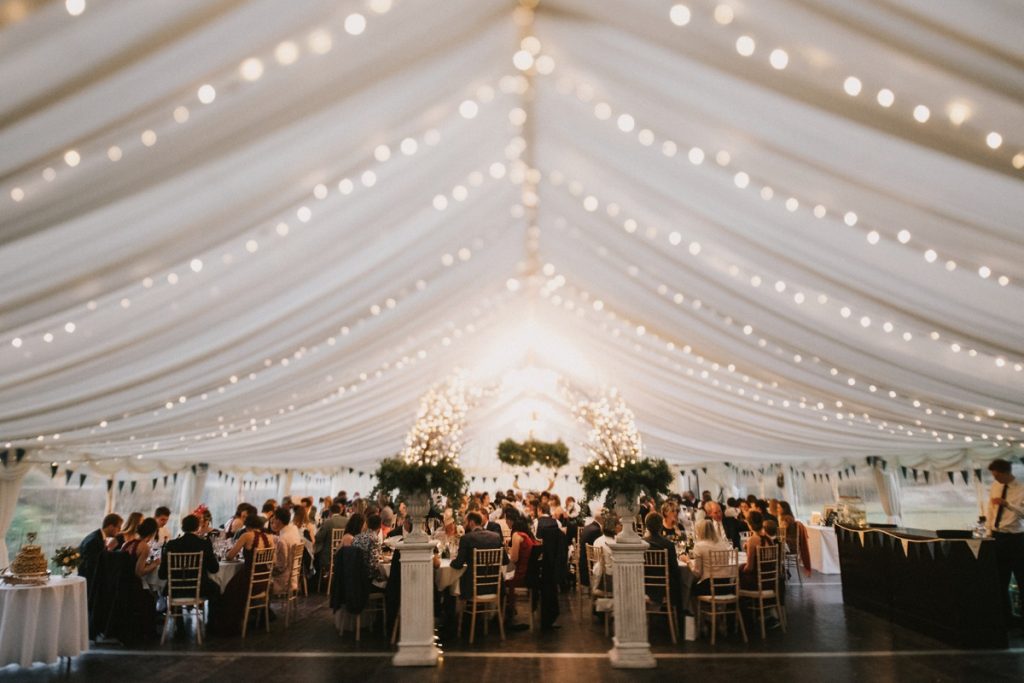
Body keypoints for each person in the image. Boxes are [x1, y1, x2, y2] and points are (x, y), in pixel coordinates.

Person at [209, 512, 274, 636]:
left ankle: (225, 626)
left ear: (247, 524)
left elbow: (229, 556)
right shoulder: (268, 537)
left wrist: (228, 555)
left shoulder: (246, 535)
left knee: (225, 590)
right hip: (264, 580)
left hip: (249, 579)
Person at [987, 458, 1024, 622]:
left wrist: (1008, 504)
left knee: (1021, 578)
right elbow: (991, 509)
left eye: (998, 476)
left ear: (1007, 473)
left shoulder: (1022, 489)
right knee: (1000, 579)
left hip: (1016, 538)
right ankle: (1006, 619)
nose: (996, 479)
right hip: (998, 536)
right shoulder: (995, 486)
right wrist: (989, 531)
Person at [159, 514, 220, 600]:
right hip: (200, 588)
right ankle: (212, 614)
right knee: (216, 589)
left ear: (182, 527)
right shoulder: (204, 544)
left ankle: (175, 611)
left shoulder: (171, 545)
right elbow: (214, 569)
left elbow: (162, 574)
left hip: (174, 589)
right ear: (197, 527)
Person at [448, 511, 507, 598]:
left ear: (471, 523)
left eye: (465, 522)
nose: (464, 525)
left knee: (452, 586)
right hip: (495, 586)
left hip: (473, 587)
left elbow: (458, 564)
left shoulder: (466, 539)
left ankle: (458, 610)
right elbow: (505, 561)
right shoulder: (496, 537)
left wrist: (451, 561)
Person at [505, 510, 537, 630]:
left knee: (501, 584)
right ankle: (510, 611)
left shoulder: (516, 535)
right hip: (529, 574)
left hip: (521, 576)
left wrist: (509, 550)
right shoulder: (526, 536)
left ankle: (507, 615)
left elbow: (514, 558)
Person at [686, 519, 733, 596]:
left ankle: (690, 608)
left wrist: (687, 561)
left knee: (688, 587)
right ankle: (719, 607)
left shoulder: (699, 546)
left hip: (709, 586)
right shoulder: (723, 544)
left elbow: (698, 573)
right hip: (726, 585)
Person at [78, 513, 123, 587]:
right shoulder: (94, 540)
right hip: (89, 583)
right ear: (111, 526)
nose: (120, 530)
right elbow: (91, 567)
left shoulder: (98, 537)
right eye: (119, 527)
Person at [314, 503, 349, 576]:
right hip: (342, 555)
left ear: (330, 512)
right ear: (340, 511)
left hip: (328, 557)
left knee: (315, 556)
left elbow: (318, 538)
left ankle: (318, 583)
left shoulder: (328, 522)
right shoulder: (347, 521)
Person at [352, 513, 386, 585]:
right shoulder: (374, 539)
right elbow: (374, 562)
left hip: (354, 572)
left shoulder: (357, 536)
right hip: (367, 575)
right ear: (380, 526)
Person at [591, 516, 618, 589]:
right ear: (614, 528)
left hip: (597, 572)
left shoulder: (597, 540)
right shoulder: (613, 544)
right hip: (609, 576)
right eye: (617, 525)